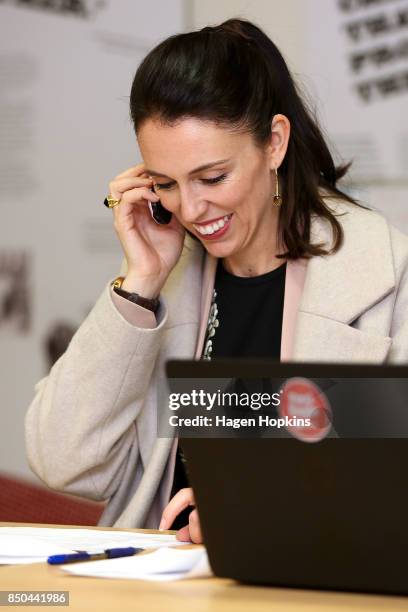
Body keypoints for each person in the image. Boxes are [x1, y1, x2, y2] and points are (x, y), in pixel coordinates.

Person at [25, 18, 408, 545]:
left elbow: (388, 480)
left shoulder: (385, 270)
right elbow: (63, 462)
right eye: (165, 184)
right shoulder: (168, 277)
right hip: (167, 588)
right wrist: (140, 281)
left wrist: (257, 503)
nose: (191, 208)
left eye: (212, 178)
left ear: (273, 143)